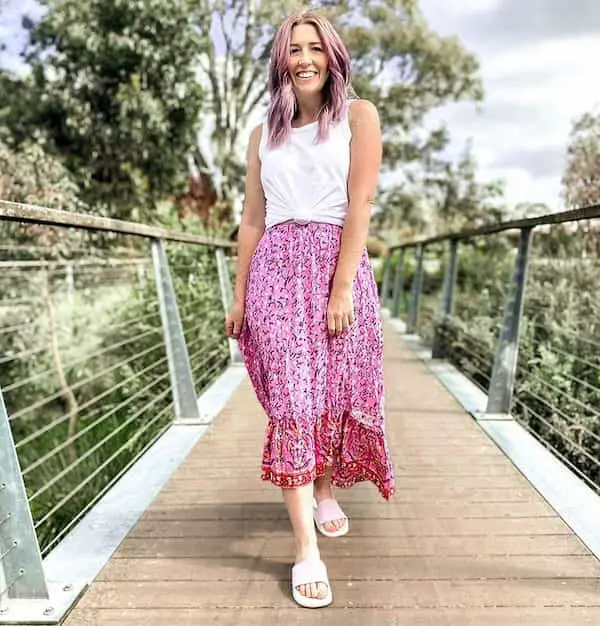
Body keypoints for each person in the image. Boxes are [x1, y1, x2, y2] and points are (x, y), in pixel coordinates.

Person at [225, 9, 395, 609]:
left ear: (332, 56)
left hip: (336, 263)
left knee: (334, 393)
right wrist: (241, 295)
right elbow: (250, 220)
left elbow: (361, 201)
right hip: (276, 269)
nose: (304, 59)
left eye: (314, 48)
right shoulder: (261, 134)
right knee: (295, 404)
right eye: (293, 49)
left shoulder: (358, 116)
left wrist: (343, 285)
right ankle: (305, 551)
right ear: (281, 59)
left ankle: (325, 491)